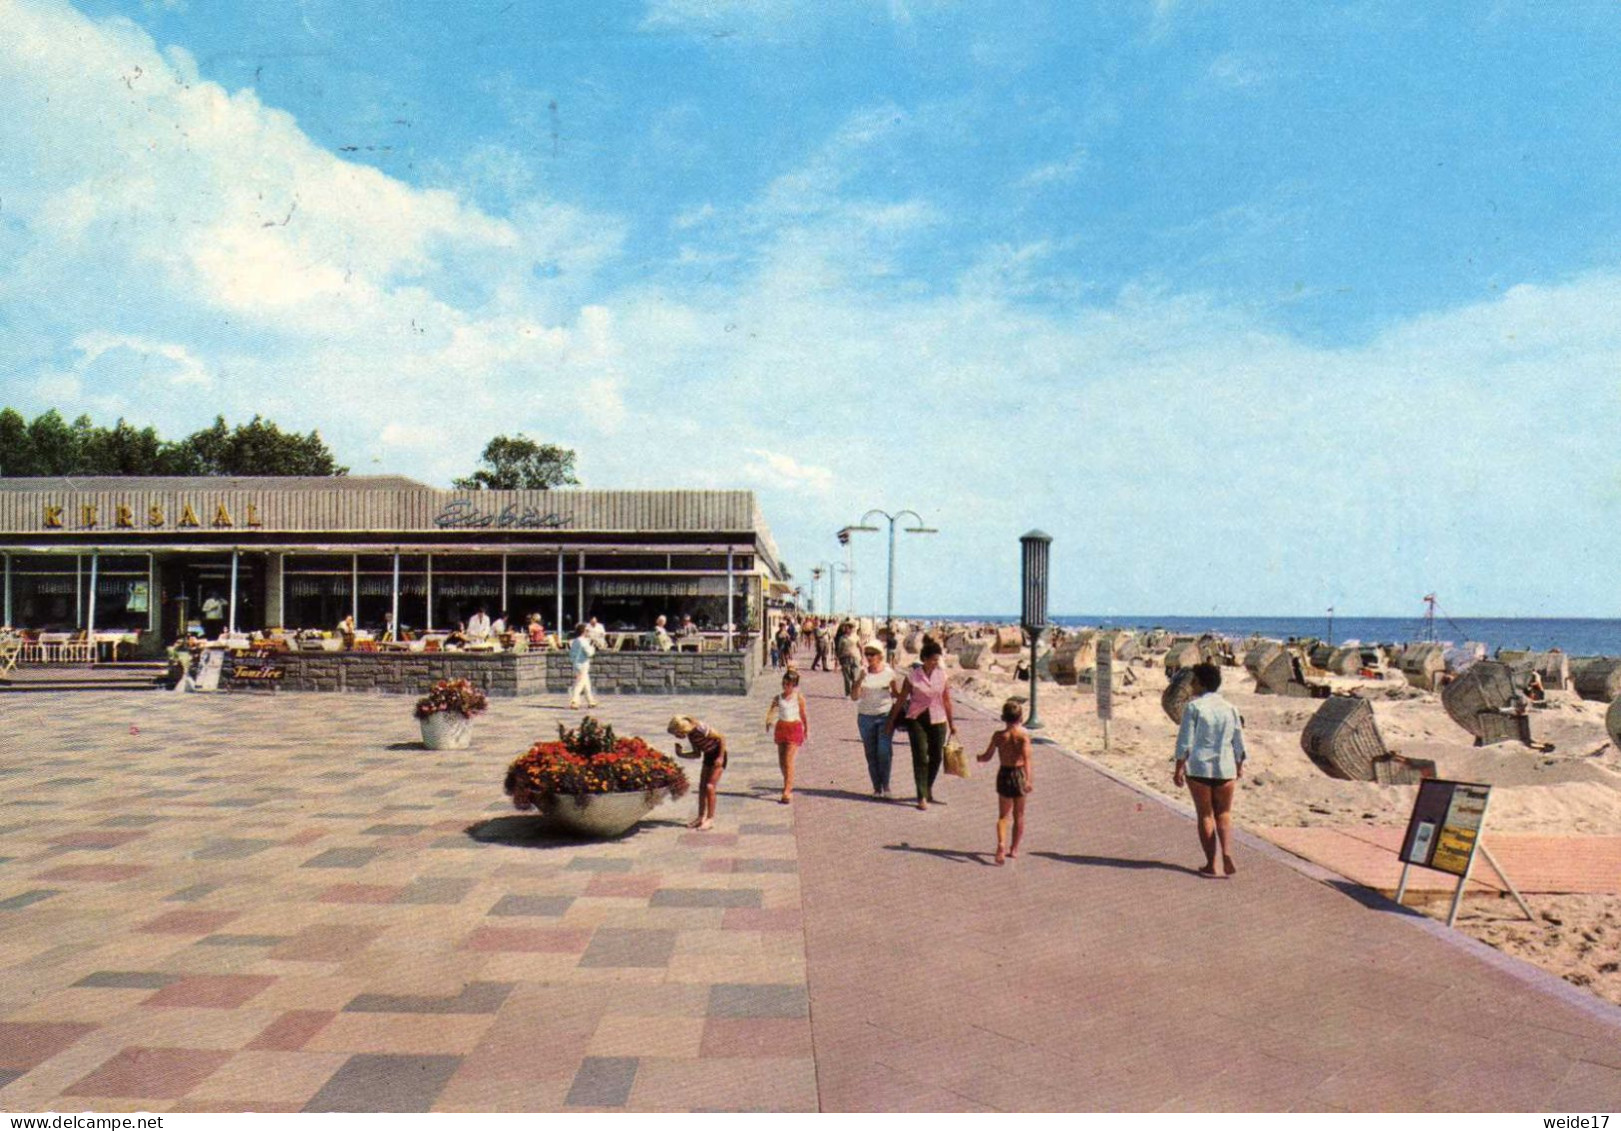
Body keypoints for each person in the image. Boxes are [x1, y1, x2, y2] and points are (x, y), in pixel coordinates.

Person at [1172, 662, 1247, 877]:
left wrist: (1178, 768)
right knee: (1224, 814)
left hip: (1199, 767)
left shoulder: (1194, 707)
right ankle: (1227, 853)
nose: (1192, 685)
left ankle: (1211, 864)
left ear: (1201, 684)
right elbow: (1238, 742)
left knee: (1205, 815)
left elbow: (1185, 741)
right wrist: (1239, 765)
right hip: (1226, 767)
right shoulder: (1230, 708)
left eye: (1194, 681)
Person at [888, 637, 956, 811]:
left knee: (936, 757)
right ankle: (921, 796)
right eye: (933, 659)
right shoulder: (912, 677)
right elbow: (901, 699)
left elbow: (947, 701)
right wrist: (891, 722)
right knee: (920, 757)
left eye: (937, 659)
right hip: (916, 719)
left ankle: (927, 787)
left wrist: (952, 724)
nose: (936, 662)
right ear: (924, 659)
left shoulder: (942, 675)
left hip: (938, 719)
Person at [978, 698, 1033, 865]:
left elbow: (987, 757)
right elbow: (1027, 760)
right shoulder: (1022, 737)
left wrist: (979, 757)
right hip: (1018, 773)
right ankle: (1014, 849)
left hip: (1004, 773)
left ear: (1004, 718)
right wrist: (1029, 780)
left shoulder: (998, 736)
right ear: (1021, 718)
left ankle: (1001, 843)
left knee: (1003, 816)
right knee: (1019, 815)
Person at [851, 639, 902, 797]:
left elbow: (896, 693)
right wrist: (859, 680)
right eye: (867, 654)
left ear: (880, 655)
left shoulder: (889, 672)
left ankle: (886, 786)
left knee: (884, 752)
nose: (869, 657)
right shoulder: (862, 671)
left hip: (885, 716)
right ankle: (876, 788)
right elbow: (854, 697)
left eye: (872, 654)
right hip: (865, 718)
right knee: (871, 753)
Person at [669, 715, 727, 831]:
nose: (677, 736)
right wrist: (681, 754)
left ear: (682, 729)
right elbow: (697, 754)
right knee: (702, 787)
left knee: (710, 787)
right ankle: (701, 817)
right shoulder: (691, 735)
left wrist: (720, 757)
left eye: (677, 733)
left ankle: (710, 819)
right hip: (708, 757)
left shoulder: (700, 728)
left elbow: (721, 738)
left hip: (718, 755)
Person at [767, 667, 809, 804]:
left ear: (794, 685)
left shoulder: (799, 698)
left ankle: (787, 791)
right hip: (781, 728)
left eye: (789, 684)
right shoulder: (778, 698)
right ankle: (788, 780)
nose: (786, 686)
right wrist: (768, 721)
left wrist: (806, 728)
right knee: (781, 762)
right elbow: (772, 711)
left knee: (788, 760)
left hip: (794, 728)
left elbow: (803, 714)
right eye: (784, 683)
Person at [568, 622, 599, 710]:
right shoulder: (583, 642)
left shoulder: (575, 641)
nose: (588, 632)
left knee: (586, 683)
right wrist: (593, 646)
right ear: (583, 631)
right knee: (580, 684)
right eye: (587, 631)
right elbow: (589, 653)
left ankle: (591, 701)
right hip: (582, 665)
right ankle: (574, 701)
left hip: (577, 664)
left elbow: (571, 653)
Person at [836, 622, 862, 696]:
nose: (847, 629)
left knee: (855, 676)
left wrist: (863, 658)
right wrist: (837, 659)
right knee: (847, 677)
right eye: (846, 628)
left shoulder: (856, 637)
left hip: (855, 658)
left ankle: (854, 691)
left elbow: (861, 647)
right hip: (845, 658)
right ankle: (848, 693)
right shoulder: (842, 638)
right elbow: (839, 649)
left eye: (848, 628)